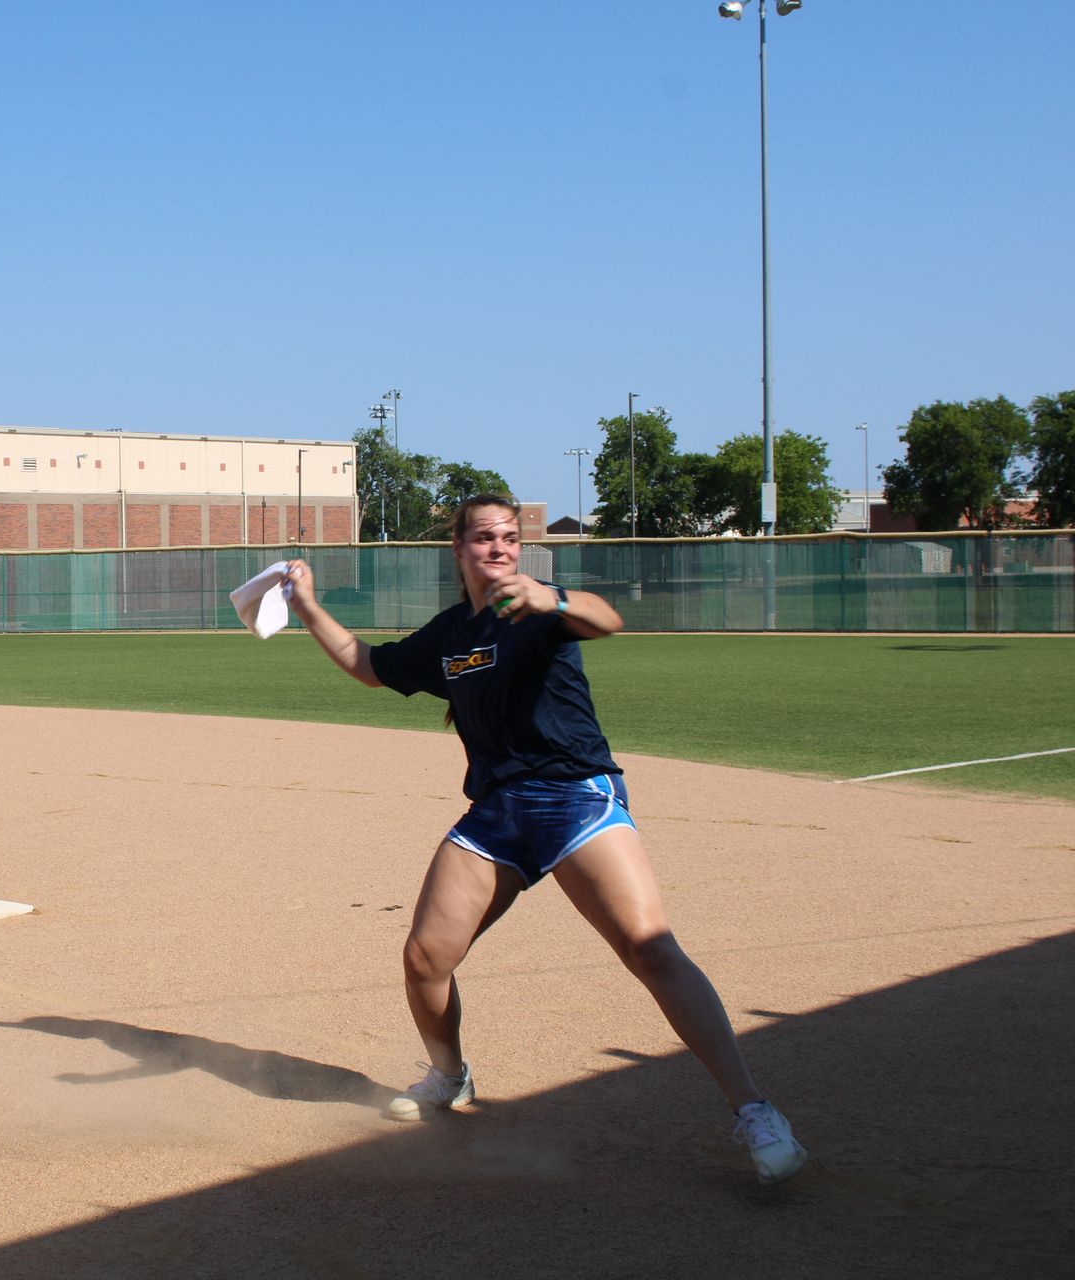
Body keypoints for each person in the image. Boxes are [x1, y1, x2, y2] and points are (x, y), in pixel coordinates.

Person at [282, 493, 807, 1185]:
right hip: (499, 813)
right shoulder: (449, 635)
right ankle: (449, 1076)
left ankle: (756, 1111)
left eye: (508, 537)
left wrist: (549, 598)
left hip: (575, 799)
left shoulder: (540, 610)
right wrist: (309, 607)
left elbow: (607, 619)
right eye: (482, 538)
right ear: (458, 551)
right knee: (424, 958)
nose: (498, 548)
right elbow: (370, 664)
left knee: (651, 949)